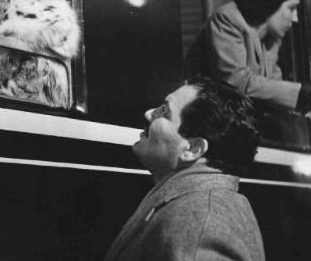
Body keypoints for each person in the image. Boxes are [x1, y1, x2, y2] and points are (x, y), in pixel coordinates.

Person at [105, 76, 265, 261]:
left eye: (164, 111)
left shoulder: (202, 223)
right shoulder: (197, 202)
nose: (148, 113)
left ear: (192, 149)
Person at [185, 0, 311, 112]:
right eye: (291, 8)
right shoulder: (227, 18)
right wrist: (303, 93)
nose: (295, 18)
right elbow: (236, 82)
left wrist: (309, 98)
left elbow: (272, 86)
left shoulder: (272, 38)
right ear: (271, 2)